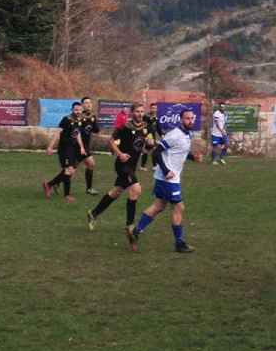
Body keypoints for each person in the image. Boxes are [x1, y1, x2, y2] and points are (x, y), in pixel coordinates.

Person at [127, 107, 202, 253]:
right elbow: (156, 152)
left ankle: (135, 232)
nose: (190, 121)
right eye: (187, 118)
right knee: (178, 207)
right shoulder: (174, 134)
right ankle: (179, 244)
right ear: (181, 120)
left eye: (192, 118)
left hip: (167, 177)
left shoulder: (188, 134)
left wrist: (193, 157)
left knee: (159, 206)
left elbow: (180, 152)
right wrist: (166, 170)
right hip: (168, 179)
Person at [86, 102, 154, 235]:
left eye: (141, 112)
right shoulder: (125, 128)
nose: (140, 114)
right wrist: (120, 154)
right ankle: (130, 225)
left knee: (116, 193)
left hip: (132, 166)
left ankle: (93, 213)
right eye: (137, 112)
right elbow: (111, 141)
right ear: (132, 113)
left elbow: (149, 144)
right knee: (136, 190)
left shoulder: (147, 127)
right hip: (122, 165)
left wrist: (150, 144)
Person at [43, 101, 87, 201]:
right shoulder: (66, 119)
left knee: (70, 171)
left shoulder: (80, 121)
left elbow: (77, 134)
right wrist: (50, 146)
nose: (78, 112)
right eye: (76, 110)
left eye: (79, 110)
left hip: (72, 149)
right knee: (68, 170)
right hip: (64, 148)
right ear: (72, 110)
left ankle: (49, 184)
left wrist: (81, 147)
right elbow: (57, 132)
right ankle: (67, 195)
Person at [79, 96, 100, 195]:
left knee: (70, 169)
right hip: (78, 146)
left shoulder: (92, 116)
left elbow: (95, 129)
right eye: (86, 103)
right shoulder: (79, 116)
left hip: (86, 145)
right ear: (82, 105)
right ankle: (89, 188)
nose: (88, 104)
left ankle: (52, 183)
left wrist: (97, 128)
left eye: (90, 103)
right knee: (91, 164)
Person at [140, 102, 163, 170]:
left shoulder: (156, 117)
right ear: (150, 108)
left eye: (155, 108)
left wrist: (161, 134)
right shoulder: (146, 117)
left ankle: (143, 166)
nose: (154, 110)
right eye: (152, 108)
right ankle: (154, 166)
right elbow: (143, 126)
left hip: (153, 136)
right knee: (154, 150)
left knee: (147, 151)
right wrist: (145, 136)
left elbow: (157, 127)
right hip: (148, 136)